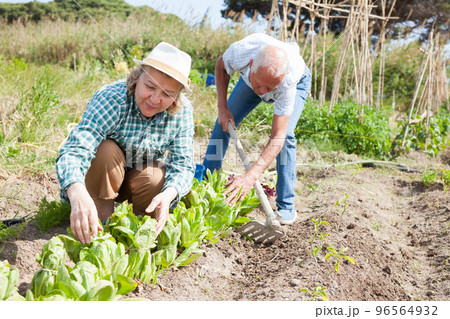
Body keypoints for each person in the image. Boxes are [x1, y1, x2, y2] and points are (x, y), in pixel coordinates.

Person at [56, 42, 195, 244]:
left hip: (137, 179)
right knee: (104, 151)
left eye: (167, 94)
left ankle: (133, 227)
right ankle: (98, 218)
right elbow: (76, 149)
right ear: (137, 76)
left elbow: (183, 164)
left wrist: (169, 195)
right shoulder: (112, 98)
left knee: (157, 177)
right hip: (103, 174)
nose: (155, 99)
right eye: (150, 86)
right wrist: (76, 191)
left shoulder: (182, 112)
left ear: (177, 96)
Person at [202, 33, 311, 225]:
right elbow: (221, 66)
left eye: (270, 88)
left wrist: (251, 176)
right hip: (252, 78)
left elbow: (278, 136)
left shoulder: (287, 83)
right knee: (224, 122)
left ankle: (287, 206)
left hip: (297, 80)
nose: (263, 93)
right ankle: (205, 183)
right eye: (260, 86)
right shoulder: (240, 52)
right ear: (251, 64)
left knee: (286, 137)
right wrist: (222, 107)